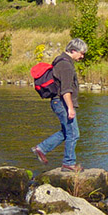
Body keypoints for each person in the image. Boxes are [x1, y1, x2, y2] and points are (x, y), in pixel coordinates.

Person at [31, 38, 87, 171]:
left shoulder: (60, 60)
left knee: (67, 132)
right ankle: (68, 163)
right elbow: (66, 90)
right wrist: (70, 108)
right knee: (73, 134)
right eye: (81, 53)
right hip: (62, 103)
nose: (82, 56)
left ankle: (42, 148)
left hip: (58, 102)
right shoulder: (66, 66)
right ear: (73, 50)